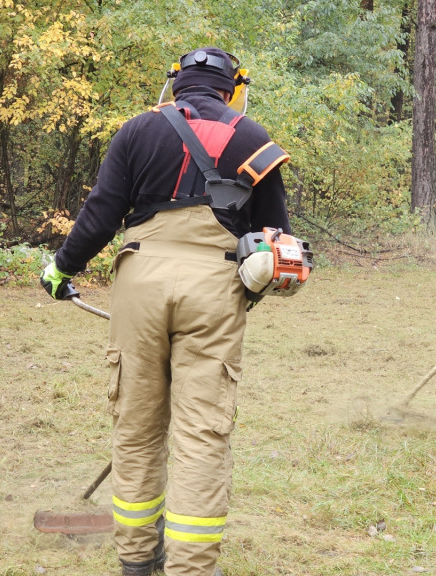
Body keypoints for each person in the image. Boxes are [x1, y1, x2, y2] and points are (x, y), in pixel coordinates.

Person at [39, 47, 292, 576]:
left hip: (141, 282)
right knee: (202, 433)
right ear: (232, 88)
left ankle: (136, 559)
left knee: (136, 428)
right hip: (215, 289)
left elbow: (102, 212)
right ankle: (193, 567)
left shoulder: (136, 130)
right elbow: (275, 236)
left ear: (175, 85)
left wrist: (63, 267)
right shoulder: (253, 137)